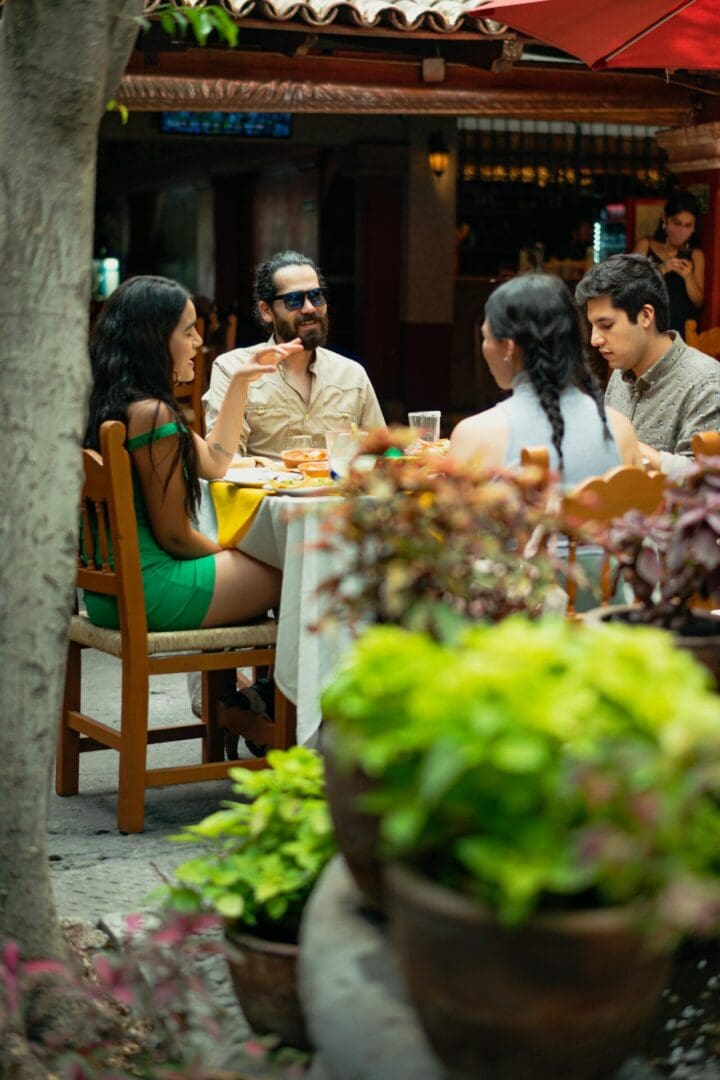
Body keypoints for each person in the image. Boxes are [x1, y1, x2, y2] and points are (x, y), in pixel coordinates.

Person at [83, 275, 303, 632]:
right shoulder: (153, 415)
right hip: (152, 586)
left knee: (276, 568)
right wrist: (232, 559)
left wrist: (239, 383)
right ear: (154, 340)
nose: (199, 341)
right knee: (299, 572)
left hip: (108, 592)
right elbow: (174, 536)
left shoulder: (120, 403)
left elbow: (216, 463)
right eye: (187, 332)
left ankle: (256, 689)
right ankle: (272, 689)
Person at [450, 274, 640, 485]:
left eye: (486, 337)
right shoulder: (620, 429)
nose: (485, 345)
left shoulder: (475, 435)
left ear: (509, 347)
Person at [203, 250, 385, 462]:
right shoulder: (233, 369)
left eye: (316, 296)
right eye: (294, 300)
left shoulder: (352, 374)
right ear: (266, 311)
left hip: (334, 493)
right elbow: (224, 460)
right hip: (265, 493)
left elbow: (381, 454)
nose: (309, 308)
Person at [576, 253, 720, 473]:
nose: (595, 339)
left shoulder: (707, 382)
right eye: (593, 326)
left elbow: (704, 480)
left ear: (645, 315)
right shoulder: (621, 373)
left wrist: (629, 445)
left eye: (606, 325)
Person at [633, 191, 705, 334]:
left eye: (688, 225)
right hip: (648, 331)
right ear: (665, 219)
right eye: (677, 223)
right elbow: (630, 289)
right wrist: (661, 270)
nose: (681, 230)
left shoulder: (696, 255)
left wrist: (688, 276)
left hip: (683, 334)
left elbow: (698, 302)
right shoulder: (645, 246)